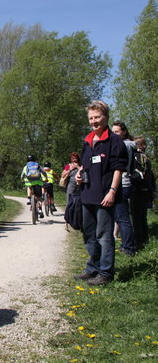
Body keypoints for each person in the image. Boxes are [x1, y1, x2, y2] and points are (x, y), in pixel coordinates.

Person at [74, 100, 127, 286]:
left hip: (105, 196)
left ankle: (105, 272)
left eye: (97, 117)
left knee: (104, 236)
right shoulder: (88, 141)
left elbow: (118, 168)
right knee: (89, 235)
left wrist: (112, 191)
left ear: (105, 117)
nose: (94, 121)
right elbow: (85, 165)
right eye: (91, 118)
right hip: (87, 195)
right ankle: (92, 268)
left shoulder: (115, 141)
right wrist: (79, 175)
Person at [111, 121, 136, 256]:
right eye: (113, 131)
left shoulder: (123, 145)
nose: (114, 134)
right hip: (126, 181)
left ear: (124, 132)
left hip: (123, 182)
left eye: (117, 132)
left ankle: (129, 248)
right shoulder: (131, 145)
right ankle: (126, 244)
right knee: (121, 216)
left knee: (122, 217)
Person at [130, 136, 156, 250]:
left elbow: (144, 174)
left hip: (138, 189)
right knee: (142, 216)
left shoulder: (138, 157)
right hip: (146, 189)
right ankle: (144, 239)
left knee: (137, 216)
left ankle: (139, 241)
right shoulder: (146, 157)